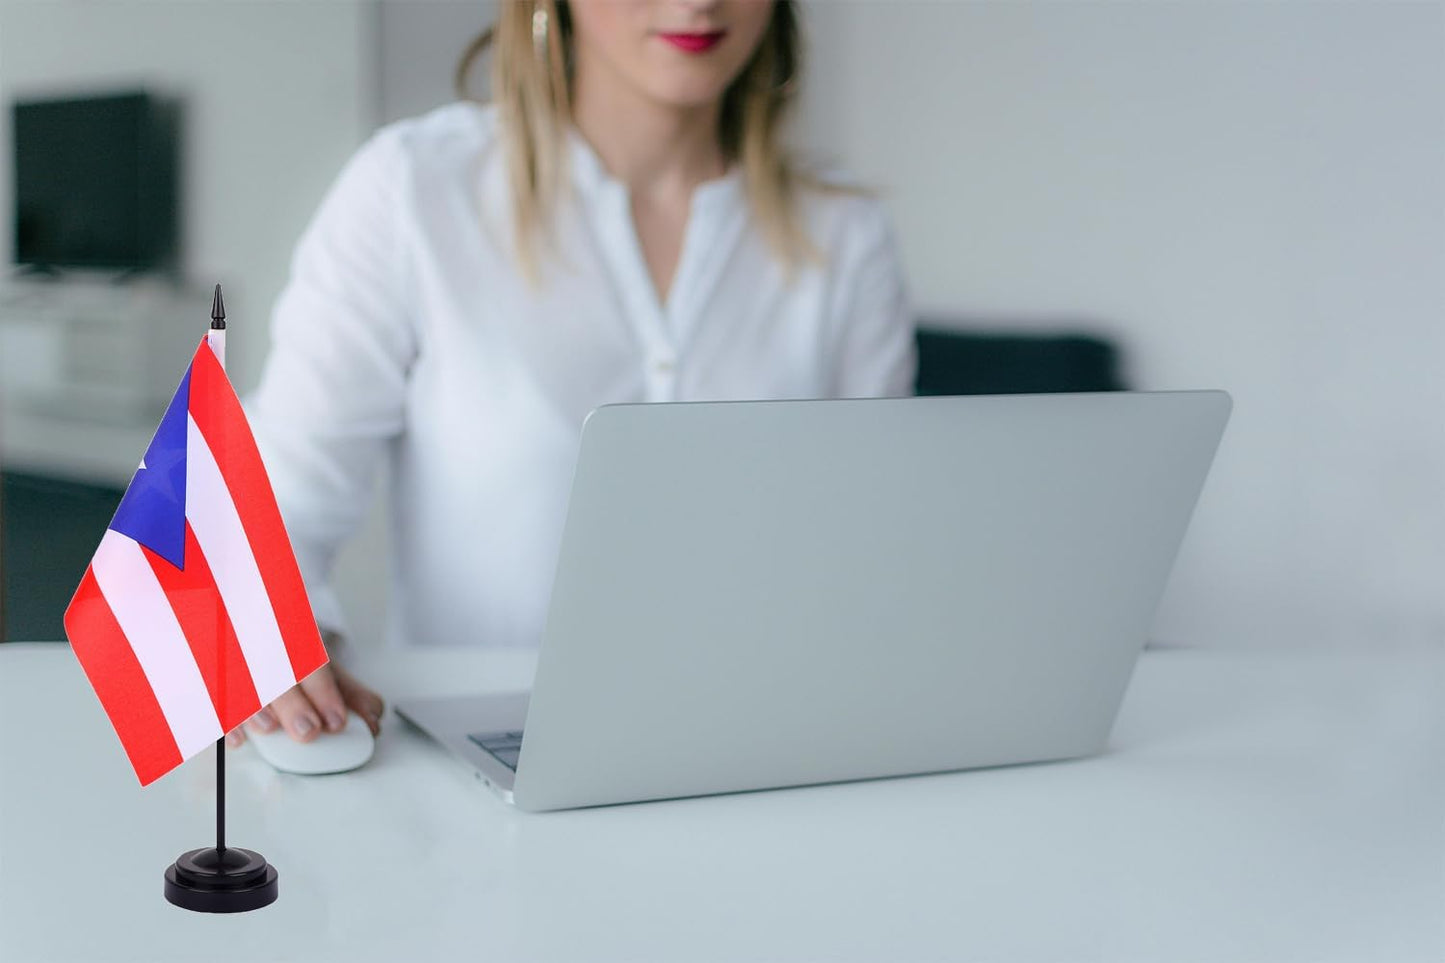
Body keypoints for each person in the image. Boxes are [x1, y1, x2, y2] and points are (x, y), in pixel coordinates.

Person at [229, 0, 916, 749]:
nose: (698, 1)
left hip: (764, 747)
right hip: (477, 759)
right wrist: (280, 638)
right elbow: (274, 508)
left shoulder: (844, 233)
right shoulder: (415, 190)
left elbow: (874, 552)